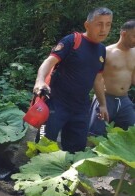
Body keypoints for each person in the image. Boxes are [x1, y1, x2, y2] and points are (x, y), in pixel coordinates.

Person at [33, 7, 113, 153]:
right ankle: (35, 174)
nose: (104, 29)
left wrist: (102, 104)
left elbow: (98, 79)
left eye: (108, 24)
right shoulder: (72, 41)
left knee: (76, 150)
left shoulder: (102, 50)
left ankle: (68, 175)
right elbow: (49, 62)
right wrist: (40, 80)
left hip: (81, 108)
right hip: (55, 103)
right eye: (99, 24)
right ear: (87, 25)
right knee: (43, 144)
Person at [89, 20, 135, 136]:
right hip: (105, 98)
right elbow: (96, 79)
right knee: (95, 135)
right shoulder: (106, 52)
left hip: (124, 100)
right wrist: (102, 104)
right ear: (124, 34)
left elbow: (133, 78)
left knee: (130, 134)